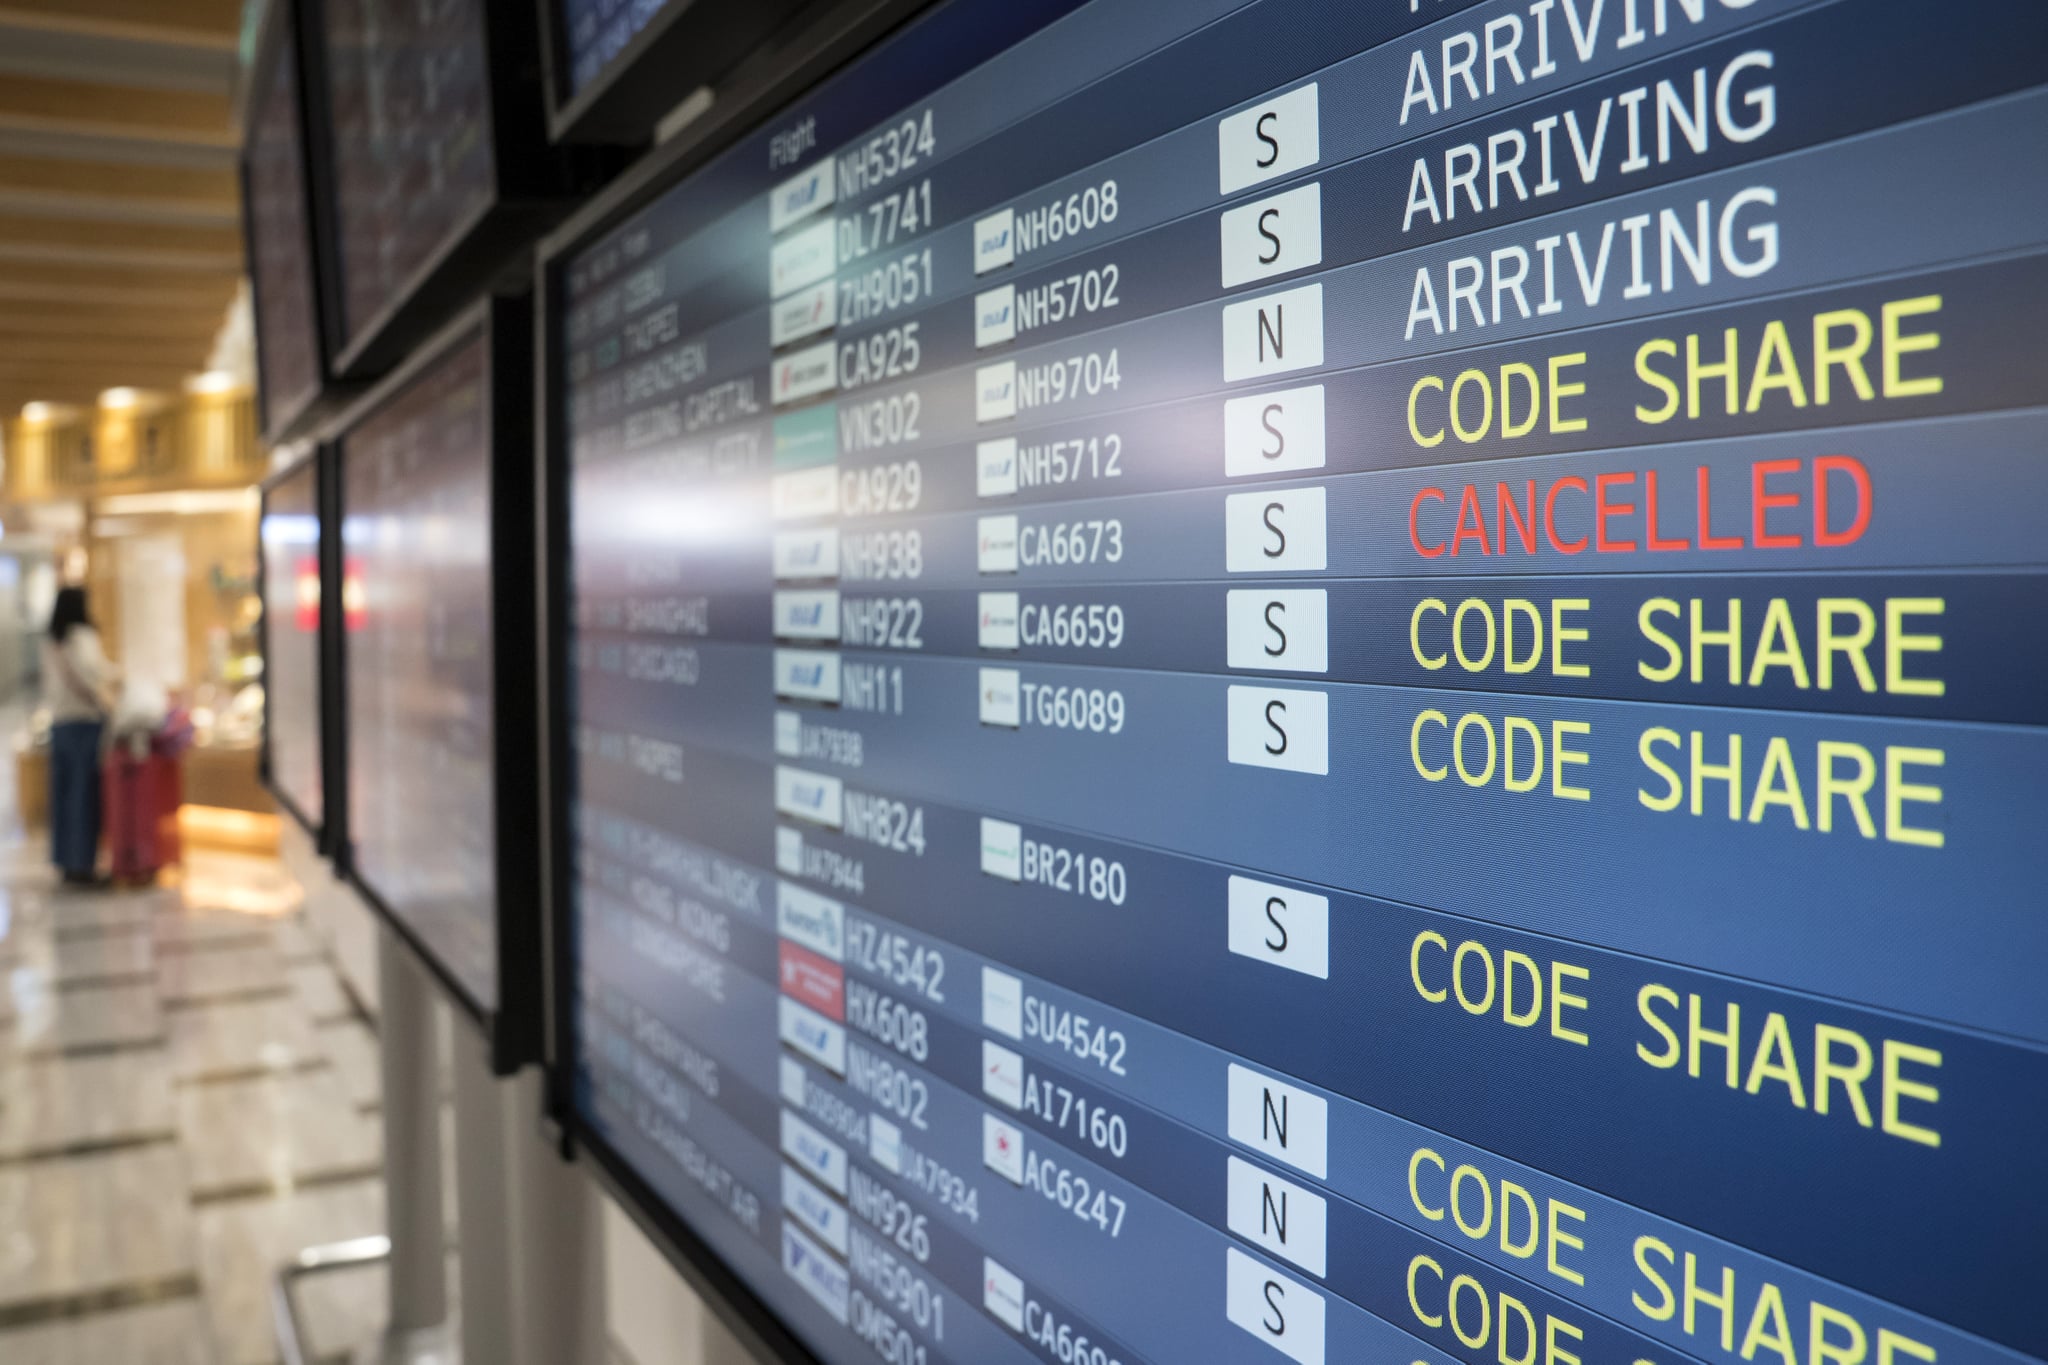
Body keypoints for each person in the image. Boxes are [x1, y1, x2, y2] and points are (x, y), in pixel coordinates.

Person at [42, 586, 115, 886]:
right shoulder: (82, 636)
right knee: (83, 797)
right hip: (85, 723)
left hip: (59, 725)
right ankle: (83, 864)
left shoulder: (50, 641)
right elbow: (94, 674)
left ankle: (65, 861)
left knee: (62, 796)